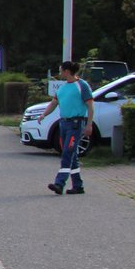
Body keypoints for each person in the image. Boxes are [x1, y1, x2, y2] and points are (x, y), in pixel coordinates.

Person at [39, 61, 94, 195]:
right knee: (72, 155)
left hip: (76, 124)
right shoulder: (62, 88)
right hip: (64, 123)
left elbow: (90, 105)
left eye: (61, 70)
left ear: (67, 71)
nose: (59, 73)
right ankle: (78, 186)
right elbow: (53, 103)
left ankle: (59, 183)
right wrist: (44, 115)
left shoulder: (82, 85)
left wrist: (89, 124)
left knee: (67, 152)